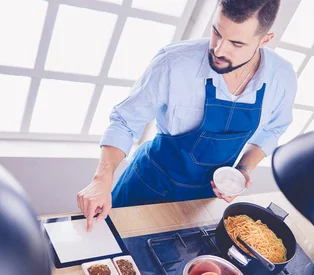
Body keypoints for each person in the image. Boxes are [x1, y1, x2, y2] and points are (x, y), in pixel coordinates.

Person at [77, 0, 296, 230]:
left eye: (236, 43)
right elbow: (124, 122)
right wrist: (101, 180)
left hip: (201, 202)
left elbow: (274, 128)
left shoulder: (281, 78)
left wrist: (242, 169)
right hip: (148, 185)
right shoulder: (174, 62)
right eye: (216, 32)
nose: (219, 50)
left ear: (265, 40)